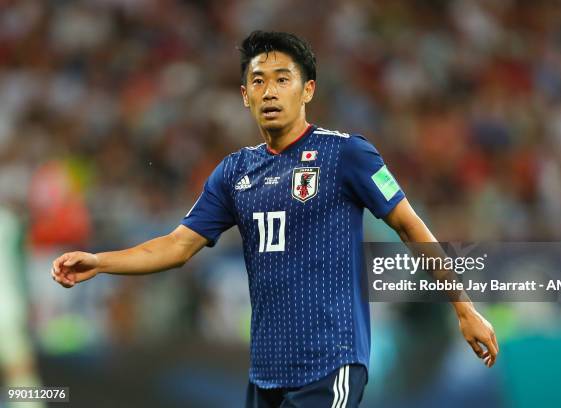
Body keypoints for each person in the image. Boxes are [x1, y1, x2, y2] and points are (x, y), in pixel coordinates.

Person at [52, 30, 498, 408]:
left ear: (307, 90)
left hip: (331, 364)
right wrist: (101, 261)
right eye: (258, 81)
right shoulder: (233, 173)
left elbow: (409, 225)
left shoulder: (346, 154)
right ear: (244, 95)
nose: (269, 91)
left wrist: (464, 307)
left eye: (282, 79)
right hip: (265, 374)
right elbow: (176, 246)